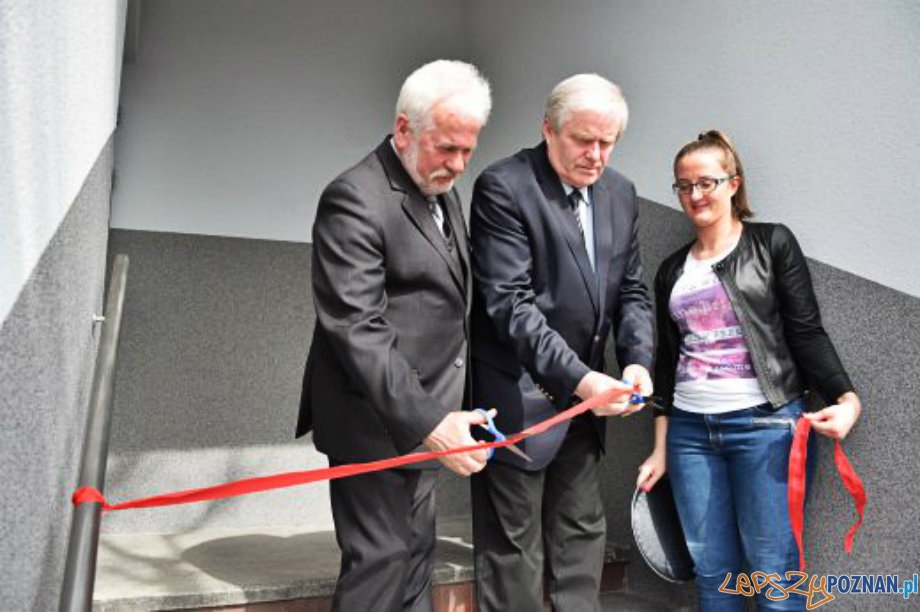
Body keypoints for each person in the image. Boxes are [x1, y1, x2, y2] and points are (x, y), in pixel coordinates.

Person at [295, 59, 493, 612]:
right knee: (380, 566)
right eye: (445, 149)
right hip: (373, 423)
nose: (457, 166)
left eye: (466, 152)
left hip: (426, 416)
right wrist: (431, 423)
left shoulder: (439, 187)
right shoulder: (354, 198)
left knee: (413, 562)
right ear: (404, 128)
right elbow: (356, 326)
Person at [636, 130, 862, 611]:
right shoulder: (672, 271)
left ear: (733, 183)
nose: (695, 195)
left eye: (707, 182)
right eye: (683, 186)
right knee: (713, 576)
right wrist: (660, 450)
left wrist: (847, 398)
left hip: (766, 427)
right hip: (690, 435)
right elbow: (665, 365)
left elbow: (806, 331)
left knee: (773, 571)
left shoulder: (772, 242)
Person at [469, 74, 654, 612]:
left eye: (609, 142)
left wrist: (638, 361)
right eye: (584, 140)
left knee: (581, 534)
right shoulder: (505, 186)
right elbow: (510, 304)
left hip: (586, 402)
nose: (597, 156)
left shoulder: (620, 192)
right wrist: (582, 378)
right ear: (548, 128)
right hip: (519, 396)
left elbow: (633, 290)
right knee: (513, 552)